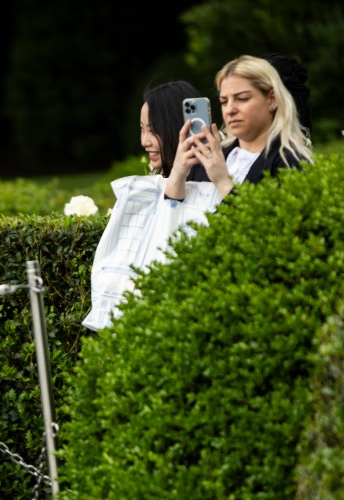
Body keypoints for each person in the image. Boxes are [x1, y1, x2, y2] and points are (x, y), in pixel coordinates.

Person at [82, 80, 222, 331]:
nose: (144, 141)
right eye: (142, 129)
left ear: (177, 127)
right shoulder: (167, 179)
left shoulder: (206, 179)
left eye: (153, 130)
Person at [167, 54, 313, 201]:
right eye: (224, 102)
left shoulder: (291, 163)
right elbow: (174, 212)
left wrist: (223, 182)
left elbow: (266, 216)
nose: (230, 110)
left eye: (242, 98)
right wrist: (178, 172)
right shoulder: (210, 158)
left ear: (272, 100)